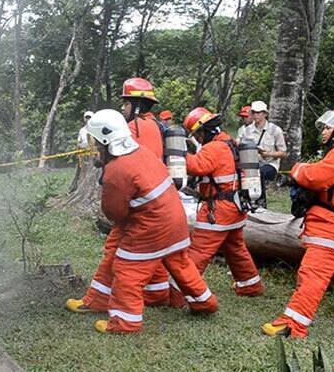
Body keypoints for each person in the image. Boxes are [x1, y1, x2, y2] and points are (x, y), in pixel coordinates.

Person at [65, 109, 218, 334]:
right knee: (180, 264)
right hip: (175, 221)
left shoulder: (117, 169)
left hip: (151, 227)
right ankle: (205, 302)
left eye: (95, 140)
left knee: (127, 270)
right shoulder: (141, 152)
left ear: (105, 139)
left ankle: (125, 323)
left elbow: (114, 212)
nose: (93, 145)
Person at [262, 106, 334, 338]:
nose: (324, 131)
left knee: (312, 274)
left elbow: (314, 176)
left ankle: (293, 324)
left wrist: (299, 168)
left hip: (331, 227)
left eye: (329, 127)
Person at [68, 78, 169, 311]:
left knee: (114, 248)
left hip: (137, 200)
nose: (123, 109)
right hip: (154, 197)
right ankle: (158, 294)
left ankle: (97, 300)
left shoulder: (133, 128)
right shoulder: (154, 126)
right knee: (156, 251)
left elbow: (123, 161)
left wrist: (103, 161)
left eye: (125, 105)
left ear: (136, 105)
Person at [170, 107, 264, 306]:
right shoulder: (229, 142)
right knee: (235, 249)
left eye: (197, 134)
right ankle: (250, 285)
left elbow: (196, 166)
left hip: (218, 211)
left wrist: (176, 152)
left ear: (204, 131)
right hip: (235, 208)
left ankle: (178, 294)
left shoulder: (214, 148)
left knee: (198, 252)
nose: (198, 138)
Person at [238, 100, 287, 209]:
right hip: (251, 164)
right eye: (254, 112)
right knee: (239, 174)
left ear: (265, 114)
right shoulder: (247, 130)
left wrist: (268, 154)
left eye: (259, 112)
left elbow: (283, 153)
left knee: (260, 173)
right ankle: (245, 201)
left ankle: (261, 204)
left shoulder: (275, 130)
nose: (256, 115)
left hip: (270, 164)